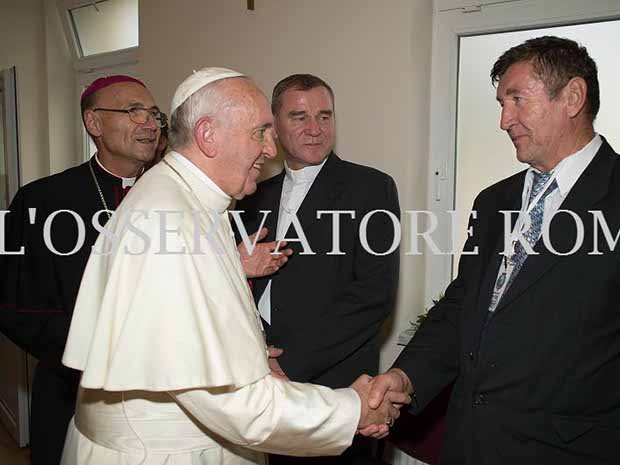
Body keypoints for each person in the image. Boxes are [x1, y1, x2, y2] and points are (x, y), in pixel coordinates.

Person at [368, 36, 620, 464]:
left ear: (573, 97)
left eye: (517, 99)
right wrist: (405, 376)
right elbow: (463, 308)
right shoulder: (493, 202)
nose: (504, 120)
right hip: (469, 446)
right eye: (501, 103)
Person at [59, 67, 406, 465]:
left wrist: (258, 354)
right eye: (260, 132)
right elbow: (236, 404)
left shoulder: (189, 200)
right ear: (208, 135)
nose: (270, 149)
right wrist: (353, 409)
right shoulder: (170, 222)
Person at [236, 74, 400, 464]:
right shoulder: (251, 193)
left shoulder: (371, 188)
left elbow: (373, 294)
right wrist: (254, 354)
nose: (315, 129)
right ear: (274, 126)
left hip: (333, 383)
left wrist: (288, 362)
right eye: (299, 117)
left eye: (324, 116)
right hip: (256, 379)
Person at [0, 75, 164, 465]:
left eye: (154, 113)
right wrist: (89, 347)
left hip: (160, 392)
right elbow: (14, 306)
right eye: (134, 111)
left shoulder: (176, 195)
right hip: (70, 386)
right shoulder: (40, 200)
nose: (150, 123)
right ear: (94, 123)